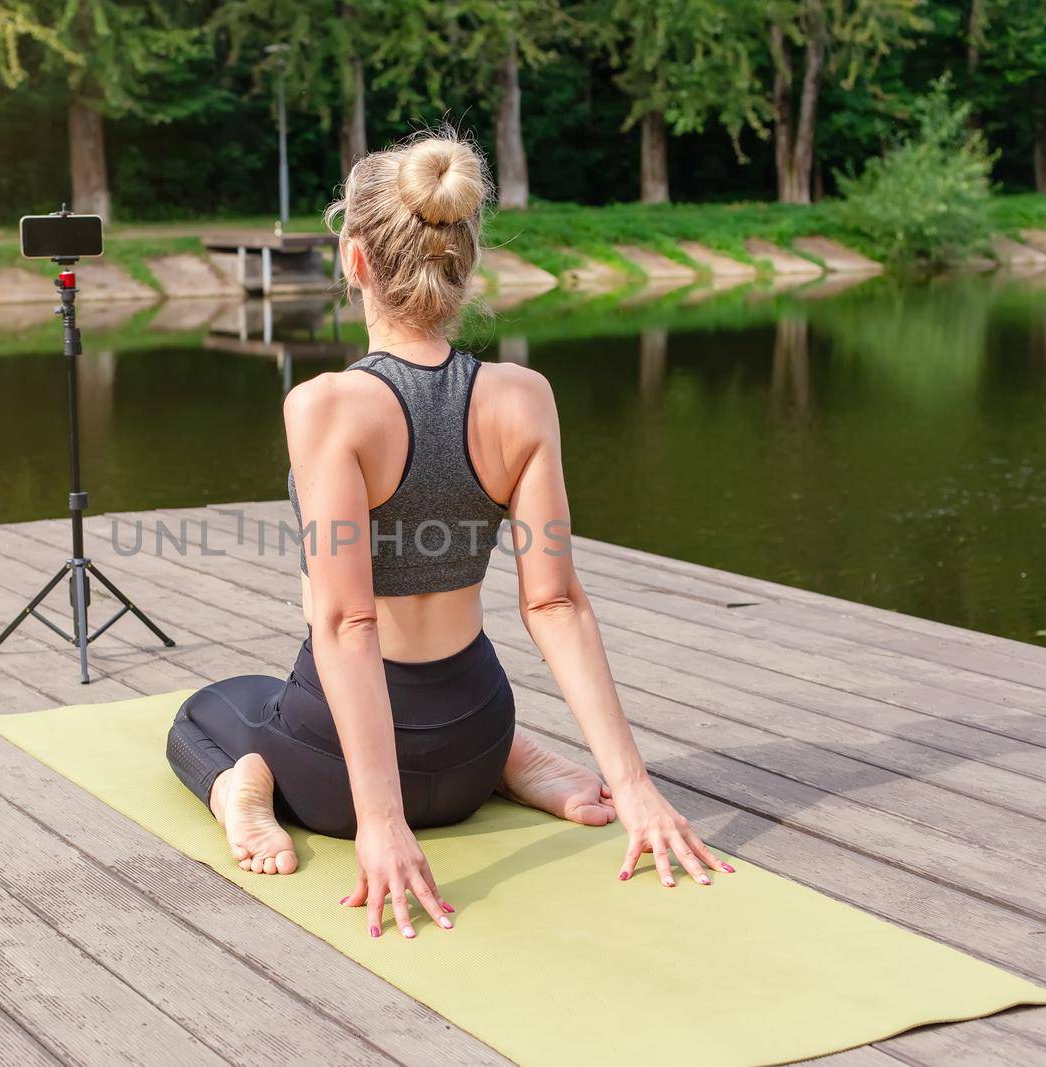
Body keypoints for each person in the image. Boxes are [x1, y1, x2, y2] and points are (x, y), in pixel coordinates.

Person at [167, 130, 732, 941]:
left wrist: (381, 822)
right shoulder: (523, 396)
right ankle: (511, 761)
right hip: (474, 733)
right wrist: (632, 783)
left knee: (211, 711)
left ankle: (242, 787)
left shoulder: (326, 406)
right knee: (436, 714)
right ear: (465, 262)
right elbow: (556, 603)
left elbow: (347, 622)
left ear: (355, 262)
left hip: (339, 775)